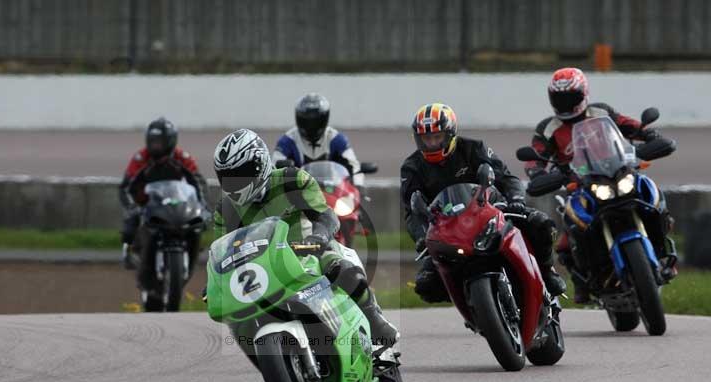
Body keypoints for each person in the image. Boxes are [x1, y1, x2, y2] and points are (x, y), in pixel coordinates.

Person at [213, 128, 397, 347]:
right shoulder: (225, 210)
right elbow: (222, 252)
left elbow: (326, 215)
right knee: (236, 314)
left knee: (342, 268)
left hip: (307, 252)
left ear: (259, 164)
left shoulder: (291, 180)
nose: (233, 184)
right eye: (227, 177)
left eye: (238, 174)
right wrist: (214, 282)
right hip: (263, 268)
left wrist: (319, 237)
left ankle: (374, 320)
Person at [525, 67, 670, 302]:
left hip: (619, 173)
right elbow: (535, 156)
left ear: (584, 94)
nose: (566, 103)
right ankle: (583, 281)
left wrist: (650, 136)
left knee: (652, 195)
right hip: (581, 186)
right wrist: (537, 172)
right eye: (560, 98)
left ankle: (664, 252)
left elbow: (631, 126)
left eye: (571, 97)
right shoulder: (548, 129)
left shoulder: (601, 112)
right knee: (566, 237)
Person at [401, 103, 566, 303]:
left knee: (542, 225)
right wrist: (422, 236)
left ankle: (547, 272)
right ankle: (472, 304)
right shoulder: (412, 167)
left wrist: (516, 201)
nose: (432, 144)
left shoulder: (473, 148)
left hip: (490, 211)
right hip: (448, 229)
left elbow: (506, 178)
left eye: (437, 137)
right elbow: (412, 210)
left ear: (451, 134)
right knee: (426, 285)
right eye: (426, 139)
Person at [119, 117, 209, 289]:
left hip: (177, 206)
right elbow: (125, 187)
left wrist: (202, 205)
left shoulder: (182, 157)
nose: (156, 146)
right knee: (131, 223)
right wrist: (132, 207)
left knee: (198, 225)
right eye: (153, 141)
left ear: (170, 140)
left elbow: (198, 182)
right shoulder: (141, 158)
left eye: (160, 142)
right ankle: (129, 251)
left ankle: (192, 256)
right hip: (149, 206)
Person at [272, 93, 366, 195]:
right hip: (297, 195)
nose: (311, 126)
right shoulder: (287, 141)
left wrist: (358, 188)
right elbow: (274, 168)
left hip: (333, 193)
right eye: (307, 121)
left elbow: (354, 166)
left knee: (355, 210)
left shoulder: (337, 139)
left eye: (315, 121)